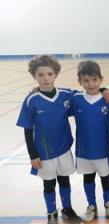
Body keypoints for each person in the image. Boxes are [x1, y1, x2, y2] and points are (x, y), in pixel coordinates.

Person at [16, 55, 81, 224]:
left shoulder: (66, 95)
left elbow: (88, 94)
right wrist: (32, 155)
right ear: (34, 76)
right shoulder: (31, 100)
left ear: (56, 74)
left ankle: (67, 209)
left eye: (50, 74)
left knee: (64, 179)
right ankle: (51, 213)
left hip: (64, 148)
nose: (45, 78)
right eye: (41, 75)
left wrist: (103, 90)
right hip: (44, 152)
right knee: (49, 183)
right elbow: (27, 130)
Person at [70, 60, 109, 221]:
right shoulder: (75, 99)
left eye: (94, 80)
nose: (90, 84)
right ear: (80, 82)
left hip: (102, 149)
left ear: (101, 79)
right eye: (86, 80)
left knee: (105, 176)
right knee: (88, 177)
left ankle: (108, 201)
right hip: (83, 150)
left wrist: (105, 90)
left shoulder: (108, 99)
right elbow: (57, 93)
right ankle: (91, 204)